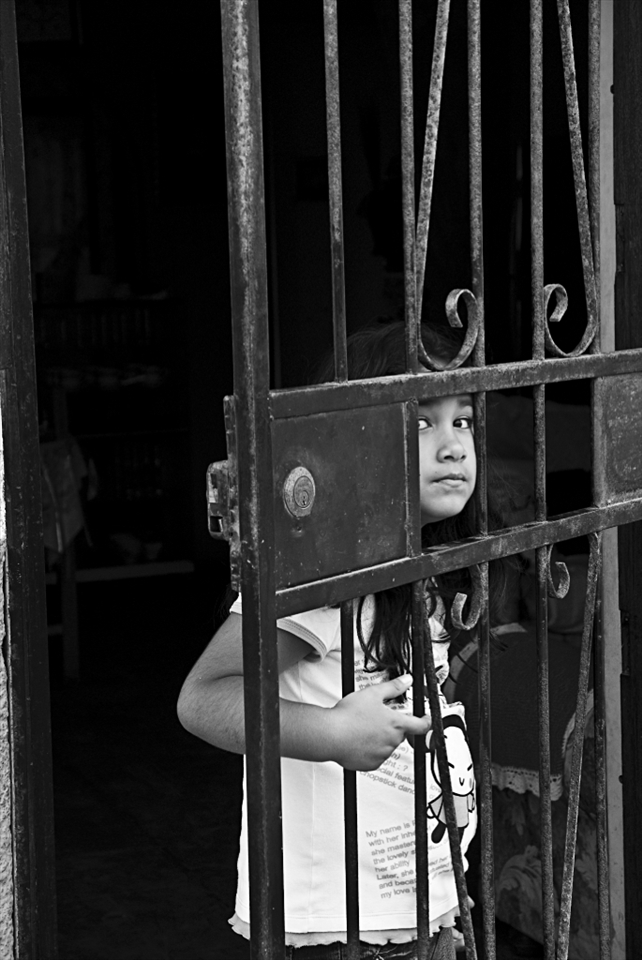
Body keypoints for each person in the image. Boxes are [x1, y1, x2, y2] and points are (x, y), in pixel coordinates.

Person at [178, 320, 507, 959]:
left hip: (417, 912)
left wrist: (443, 889)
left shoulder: (421, 573)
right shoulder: (325, 577)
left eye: (462, 420)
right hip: (335, 927)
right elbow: (202, 699)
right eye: (421, 422)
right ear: (353, 439)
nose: (452, 447)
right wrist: (330, 733)